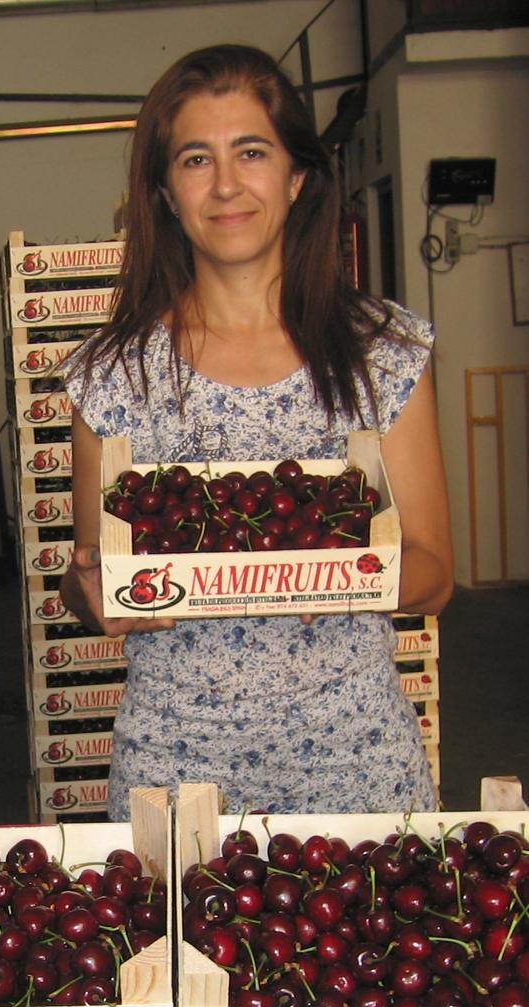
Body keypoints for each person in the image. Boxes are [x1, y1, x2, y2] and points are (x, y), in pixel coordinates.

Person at [60, 44, 453, 820]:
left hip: (356, 759)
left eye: (251, 152)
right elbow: (87, 579)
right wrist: (90, 592)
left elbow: (435, 574)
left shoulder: (383, 353)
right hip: (177, 768)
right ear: (165, 193)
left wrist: (335, 572)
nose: (227, 185)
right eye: (195, 159)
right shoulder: (111, 377)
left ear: (297, 176)